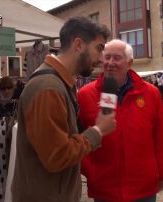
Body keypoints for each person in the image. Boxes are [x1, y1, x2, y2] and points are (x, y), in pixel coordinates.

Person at [12, 16, 116, 202]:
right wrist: (98, 131)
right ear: (78, 45)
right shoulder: (48, 88)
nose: (102, 59)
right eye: (99, 49)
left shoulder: (59, 83)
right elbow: (57, 156)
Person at [78, 39, 163, 202]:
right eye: (106, 57)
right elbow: (76, 136)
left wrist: (162, 173)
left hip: (143, 188)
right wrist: (90, 170)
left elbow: (161, 138)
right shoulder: (85, 95)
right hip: (104, 189)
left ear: (130, 63)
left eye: (116, 58)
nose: (110, 63)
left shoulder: (151, 93)